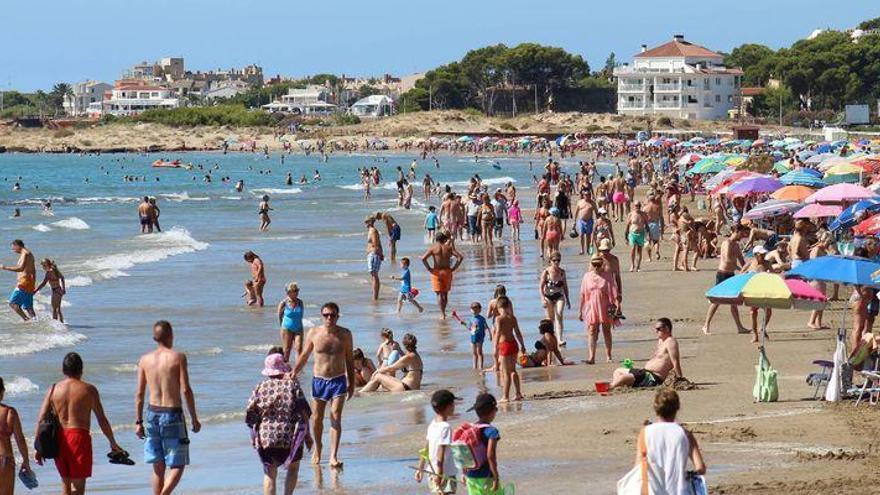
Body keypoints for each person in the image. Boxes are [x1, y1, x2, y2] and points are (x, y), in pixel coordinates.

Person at [35, 352, 125, 495]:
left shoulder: (53, 390)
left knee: (66, 485)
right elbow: (102, 419)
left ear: (63, 370)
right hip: (79, 438)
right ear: (81, 370)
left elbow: (41, 419)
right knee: (78, 489)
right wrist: (112, 442)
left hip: (58, 439)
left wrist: (39, 446)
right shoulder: (89, 390)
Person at [135, 321, 200, 495]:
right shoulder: (178, 357)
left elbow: (139, 394)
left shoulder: (144, 360)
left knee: (158, 465)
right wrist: (194, 418)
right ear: (171, 336)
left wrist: (138, 422)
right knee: (178, 464)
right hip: (172, 414)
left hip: (152, 413)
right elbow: (185, 389)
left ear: (154, 338)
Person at [292, 302, 354, 468]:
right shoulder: (314, 332)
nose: (329, 318)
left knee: (335, 415)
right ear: (322, 316)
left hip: (339, 380)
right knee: (317, 418)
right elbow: (304, 355)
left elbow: (349, 359)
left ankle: (333, 455)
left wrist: (352, 383)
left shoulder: (345, 334)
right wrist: (293, 372)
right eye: (326, 315)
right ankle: (318, 448)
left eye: (333, 315)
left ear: (337, 316)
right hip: (319, 381)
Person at [246, 352, 312, 495]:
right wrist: (308, 436)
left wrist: (253, 437)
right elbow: (304, 412)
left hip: (266, 437)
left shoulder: (260, 387)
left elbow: (251, 414)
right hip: (290, 435)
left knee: (270, 473)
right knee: (293, 469)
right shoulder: (292, 386)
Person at [630, 389, 706, 494]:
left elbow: (638, 467)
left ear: (656, 408)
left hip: (653, 491)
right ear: (677, 407)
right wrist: (687, 475)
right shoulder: (685, 434)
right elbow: (701, 468)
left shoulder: (645, 433)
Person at [701, 224, 750, 335]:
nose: (742, 236)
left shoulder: (736, 245)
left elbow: (742, 261)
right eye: (741, 233)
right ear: (736, 231)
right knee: (716, 300)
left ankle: (739, 327)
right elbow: (728, 260)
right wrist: (740, 269)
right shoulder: (726, 243)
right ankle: (706, 325)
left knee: (734, 301)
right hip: (722, 274)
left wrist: (748, 270)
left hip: (731, 274)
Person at [610, 317, 682, 389]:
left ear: (666, 328)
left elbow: (675, 362)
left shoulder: (671, 341)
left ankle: (610, 387)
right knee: (618, 371)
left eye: (658, 329)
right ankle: (617, 385)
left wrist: (680, 379)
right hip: (644, 372)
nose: (656, 331)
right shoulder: (661, 341)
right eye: (655, 329)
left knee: (623, 378)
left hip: (653, 377)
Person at [415, 390, 458, 495]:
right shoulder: (445, 427)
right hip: (444, 474)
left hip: (431, 472)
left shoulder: (433, 424)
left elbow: (426, 447)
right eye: (453, 404)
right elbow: (440, 453)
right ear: (448, 406)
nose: (454, 406)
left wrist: (420, 468)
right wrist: (440, 475)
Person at [579, 253, 619, 364]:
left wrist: (617, 306)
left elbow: (614, 292)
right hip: (591, 306)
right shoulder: (587, 276)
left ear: (602, 264)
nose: (596, 267)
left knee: (606, 330)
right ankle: (591, 357)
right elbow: (582, 294)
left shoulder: (608, 276)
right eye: (594, 264)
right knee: (592, 331)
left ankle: (608, 356)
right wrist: (580, 310)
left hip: (605, 306)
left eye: (598, 264)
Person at [461, 393, 502, 494]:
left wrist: (463, 473)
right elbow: (490, 456)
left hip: (471, 477)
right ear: (492, 411)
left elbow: (463, 452)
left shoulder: (470, 429)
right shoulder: (492, 431)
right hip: (487, 476)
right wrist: (496, 477)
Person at [421, 231, 464, 320]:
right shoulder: (448, 248)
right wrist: (454, 268)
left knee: (439, 294)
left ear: (436, 239)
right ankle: (444, 311)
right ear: (443, 239)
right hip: (447, 271)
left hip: (436, 272)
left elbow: (423, 258)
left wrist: (429, 268)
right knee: (445, 294)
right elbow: (460, 257)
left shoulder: (433, 248)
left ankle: (442, 314)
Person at [0, 377, 32, 495]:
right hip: (5, 460)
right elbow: (20, 440)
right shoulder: (9, 412)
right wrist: (26, 461)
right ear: (2, 392)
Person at [493, 296, 526, 402]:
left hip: (504, 344)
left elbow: (498, 333)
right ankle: (518, 393)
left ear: (499, 307)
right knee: (513, 371)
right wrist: (522, 345)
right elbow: (517, 332)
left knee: (505, 372)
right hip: (513, 344)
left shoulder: (499, 318)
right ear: (508, 306)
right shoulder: (513, 318)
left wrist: (495, 346)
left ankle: (505, 396)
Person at [539, 253, 571, 346]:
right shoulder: (546, 272)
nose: (556, 262)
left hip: (559, 296)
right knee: (550, 319)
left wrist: (568, 299)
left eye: (558, 260)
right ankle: (548, 338)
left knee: (559, 314)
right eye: (554, 260)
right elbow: (540, 286)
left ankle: (560, 339)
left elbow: (565, 286)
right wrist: (542, 298)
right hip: (548, 296)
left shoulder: (562, 272)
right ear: (550, 261)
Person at [2, 240, 36, 321]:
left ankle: (26, 320)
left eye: (13, 248)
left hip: (23, 283)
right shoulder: (29, 254)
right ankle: (35, 322)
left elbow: (20, 268)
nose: (13, 250)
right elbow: (33, 270)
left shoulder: (25, 254)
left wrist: (5, 267)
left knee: (12, 303)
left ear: (17, 245)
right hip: (29, 283)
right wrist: (33, 283)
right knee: (28, 307)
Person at [276, 283, 305, 362]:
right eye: (295, 291)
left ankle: (298, 369)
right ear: (289, 292)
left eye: (297, 290)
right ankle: (285, 367)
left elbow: (301, 315)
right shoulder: (283, 303)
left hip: (298, 327)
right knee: (287, 349)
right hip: (287, 327)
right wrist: (282, 326)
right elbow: (279, 315)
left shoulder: (300, 302)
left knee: (299, 348)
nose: (297, 292)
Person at [35, 258, 66, 323]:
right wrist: (63, 289)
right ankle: (61, 323)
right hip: (58, 290)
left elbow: (43, 283)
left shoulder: (50, 272)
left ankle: (56, 324)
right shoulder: (54, 270)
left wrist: (35, 290)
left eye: (43, 265)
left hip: (56, 290)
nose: (42, 267)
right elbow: (62, 278)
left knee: (55, 309)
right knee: (58, 309)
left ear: (46, 265)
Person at [624, 201, 648, 272]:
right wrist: (625, 236)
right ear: (634, 206)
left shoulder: (643, 214)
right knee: (632, 249)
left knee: (639, 250)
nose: (638, 207)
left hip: (641, 233)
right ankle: (632, 264)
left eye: (639, 206)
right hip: (632, 233)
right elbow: (627, 225)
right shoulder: (631, 214)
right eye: (636, 205)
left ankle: (638, 266)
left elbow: (646, 225)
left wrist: (648, 235)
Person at [466, 302, 489, 370]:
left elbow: (486, 327)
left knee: (479, 352)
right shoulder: (470, 319)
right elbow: (469, 328)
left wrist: (490, 335)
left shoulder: (482, 318)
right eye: (473, 310)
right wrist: (464, 324)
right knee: (474, 352)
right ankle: (474, 366)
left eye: (476, 310)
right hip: (473, 337)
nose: (474, 311)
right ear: (471, 310)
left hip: (480, 337)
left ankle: (481, 366)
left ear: (480, 310)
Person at [365, 216, 384, 301]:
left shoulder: (373, 231)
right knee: (373, 275)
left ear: (370, 222)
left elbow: (376, 244)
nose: (365, 223)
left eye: (366, 221)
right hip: (372, 254)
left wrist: (379, 254)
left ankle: (375, 297)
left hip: (374, 254)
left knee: (374, 275)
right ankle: (375, 295)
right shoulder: (370, 230)